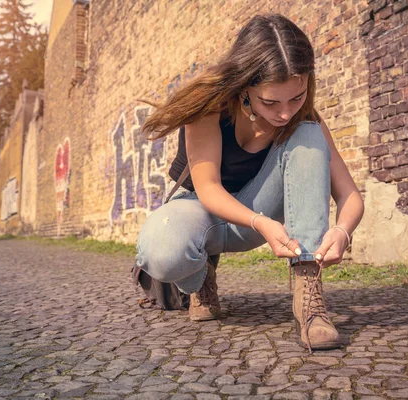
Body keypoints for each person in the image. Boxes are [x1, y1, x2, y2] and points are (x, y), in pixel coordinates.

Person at [136, 14, 364, 351]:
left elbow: (351, 196)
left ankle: (309, 298)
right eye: (270, 102)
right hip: (204, 213)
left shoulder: (304, 120)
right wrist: (260, 222)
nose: (284, 113)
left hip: (260, 212)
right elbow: (209, 189)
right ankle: (201, 277)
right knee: (163, 250)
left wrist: (342, 232)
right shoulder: (210, 106)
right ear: (245, 87)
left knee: (307, 132)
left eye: (296, 98)